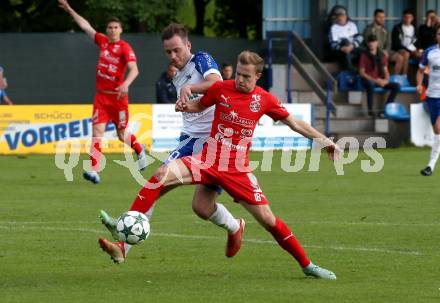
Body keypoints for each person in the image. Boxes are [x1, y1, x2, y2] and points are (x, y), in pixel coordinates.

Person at [98, 50, 341, 280]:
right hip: (208, 159)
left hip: (237, 170)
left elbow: (295, 123)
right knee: (162, 175)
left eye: (246, 76)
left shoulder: (264, 99)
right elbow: (199, 106)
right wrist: (185, 106)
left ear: (258, 76)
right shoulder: (221, 89)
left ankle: (307, 265)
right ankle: (126, 230)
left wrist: (326, 142)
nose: (240, 80)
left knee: (267, 219)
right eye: (237, 74)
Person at [100, 23, 242, 260]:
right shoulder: (177, 76)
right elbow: (194, 104)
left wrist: (191, 88)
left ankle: (236, 227)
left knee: (182, 194)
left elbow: (217, 84)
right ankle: (122, 246)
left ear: (188, 45)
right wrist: (183, 104)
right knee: (177, 193)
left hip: (214, 143)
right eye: (168, 52)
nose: (173, 56)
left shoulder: (202, 60)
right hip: (189, 141)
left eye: (177, 50)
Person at [58, 0, 146, 184]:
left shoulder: (125, 48)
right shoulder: (103, 42)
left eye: (116, 27)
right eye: (110, 27)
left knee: (122, 135)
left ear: (121, 30)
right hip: (101, 97)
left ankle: (139, 150)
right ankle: (95, 171)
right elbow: (85, 26)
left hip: (118, 98)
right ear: (106, 30)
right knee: (97, 133)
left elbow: (134, 69)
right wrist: (69, 9)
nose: (113, 30)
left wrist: (126, 84)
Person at [417, 25, 440, 176]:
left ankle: (430, 165)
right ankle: (431, 164)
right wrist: (419, 84)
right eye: (439, 33)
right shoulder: (430, 52)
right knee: (436, 131)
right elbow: (420, 70)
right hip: (432, 96)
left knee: (439, 127)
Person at [359, 34, 400, 117]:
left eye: (373, 41)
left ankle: (385, 110)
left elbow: (386, 71)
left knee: (397, 86)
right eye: (370, 42)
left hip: (379, 79)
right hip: (369, 80)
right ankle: (370, 111)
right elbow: (362, 73)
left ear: (377, 43)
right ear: (367, 43)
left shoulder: (382, 55)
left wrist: (386, 80)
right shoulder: (364, 55)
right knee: (370, 85)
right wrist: (376, 81)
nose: (371, 44)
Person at [363, 9, 405, 74]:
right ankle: (383, 78)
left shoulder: (385, 30)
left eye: (383, 17)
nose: (382, 19)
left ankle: (394, 79)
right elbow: (369, 44)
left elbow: (389, 43)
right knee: (382, 57)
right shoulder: (369, 29)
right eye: (379, 17)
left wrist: (386, 50)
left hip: (385, 52)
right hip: (373, 52)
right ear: (374, 17)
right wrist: (381, 52)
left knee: (400, 58)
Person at [328, 6, 363, 71]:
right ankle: (350, 69)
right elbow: (333, 45)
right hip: (341, 50)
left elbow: (360, 37)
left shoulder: (352, 24)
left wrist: (352, 45)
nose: (341, 18)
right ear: (336, 17)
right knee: (345, 41)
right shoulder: (333, 28)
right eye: (339, 16)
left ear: (346, 16)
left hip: (353, 47)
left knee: (366, 51)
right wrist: (341, 48)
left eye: (342, 16)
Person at [392, 10, 423, 76]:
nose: (407, 19)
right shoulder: (397, 28)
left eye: (409, 17)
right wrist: (409, 50)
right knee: (406, 54)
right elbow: (396, 43)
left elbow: (417, 42)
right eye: (406, 17)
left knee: (422, 55)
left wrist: (419, 50)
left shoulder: (414, 28)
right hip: (400, 50)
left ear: (412, 18)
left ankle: (422, 78)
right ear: (403, 18)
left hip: (412, 50)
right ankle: (404, 75)